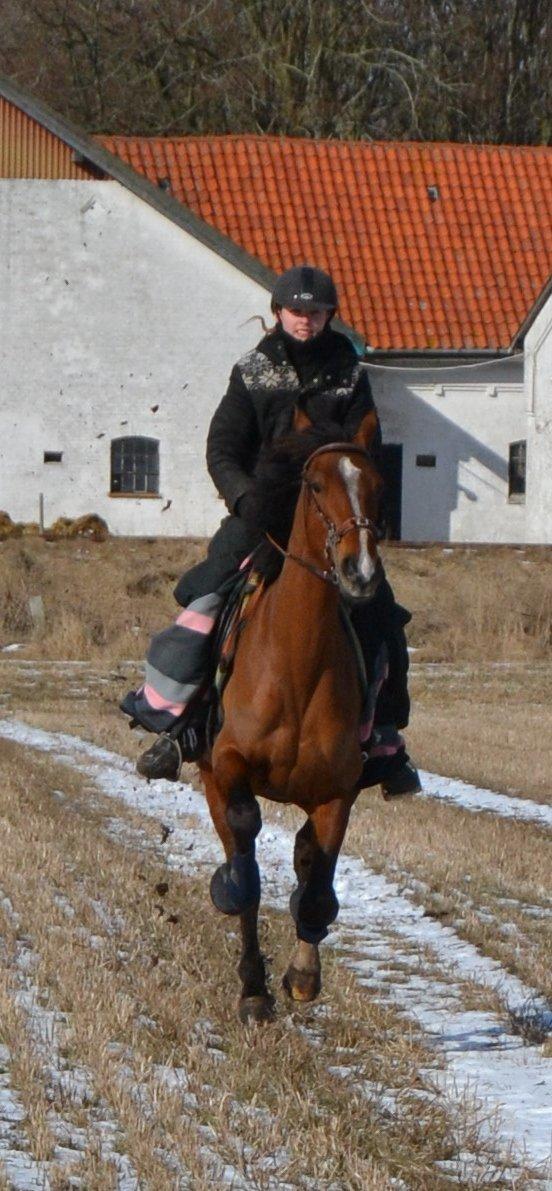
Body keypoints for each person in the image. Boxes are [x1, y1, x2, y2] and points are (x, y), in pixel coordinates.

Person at [121, 265, 420, 798]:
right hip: (262, 516)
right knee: (207, 596)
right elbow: (222, 449)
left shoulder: (349, 371)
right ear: (278, 311)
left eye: (317, 311)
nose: (306, 320)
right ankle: (177, 723)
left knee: (383, 614)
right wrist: (245, 500)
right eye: (297, 310)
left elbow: (365, 445)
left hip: (331, 523)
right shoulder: (253, 370)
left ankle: (384, 740)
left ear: (331, 315)